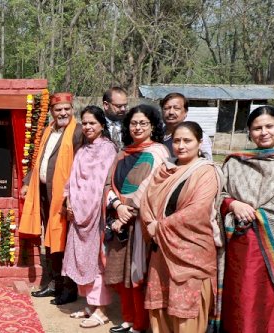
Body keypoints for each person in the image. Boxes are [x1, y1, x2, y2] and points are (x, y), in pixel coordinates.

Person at [140, 121, 222, 332]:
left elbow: (197, 211)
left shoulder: (206, 172)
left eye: (187, 140)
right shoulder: (164, 169)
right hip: (161, 251)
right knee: (161, 309)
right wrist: (150, 224)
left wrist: (158, 227)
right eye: (177, 140)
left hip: (192, 254)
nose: (181, 146)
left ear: (200, 143)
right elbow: (147, 202)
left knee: (187, 312)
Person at [219, 106, 274, 332]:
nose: (264, 132)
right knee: (244, 298)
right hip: (243, 245)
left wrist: (261, 215)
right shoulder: (235, 162)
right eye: (257, 128)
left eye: (269, 126)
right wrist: (234, 204)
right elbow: (218, 194)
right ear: (249, 132)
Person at [103, 104, 170, 333]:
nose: (137, 127)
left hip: (140, 223)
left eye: (143, 123)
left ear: (152, 126)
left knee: (137, 274)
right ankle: (128, 318)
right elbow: (108, 183)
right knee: (120, 275)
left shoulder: (158, 152)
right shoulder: (123, 153)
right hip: (117, 218)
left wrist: (127, 212)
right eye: (133, 123)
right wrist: (116, 205)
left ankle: (140, 324)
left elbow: (149, 187)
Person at [20, 92, 84, 305]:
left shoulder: (78, 132)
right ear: (52, 112)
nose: (63, 113)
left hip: (66, 198)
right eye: (58, 110)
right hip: (46, 195)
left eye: (67, 109)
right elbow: (40, 160)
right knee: (50, 240)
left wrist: (72, 196)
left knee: (65, 241)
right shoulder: (48, 130)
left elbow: (81, 167)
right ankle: (54, 283)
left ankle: (69, 287)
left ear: (72, 109)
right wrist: (29, 181)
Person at [61, 106, 118, 328]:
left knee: (97, 261)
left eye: (92, 123)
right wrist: (69, 201)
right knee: (80, 259)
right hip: (77, 214)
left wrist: (86, 208)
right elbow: (72, 180)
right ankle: (90, 305)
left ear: (102, 125)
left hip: (96, 215)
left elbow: (101, 185)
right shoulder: (82, 150)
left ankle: (101, 310)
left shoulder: (108, 150)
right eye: (84, 123)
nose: (87, 127)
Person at [160, 92, 213, 159]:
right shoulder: (156, 135)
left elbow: (208, 163)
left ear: (185, 112)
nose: (171, 112)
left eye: (176, 108)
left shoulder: (197, 135)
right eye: (167, 108)